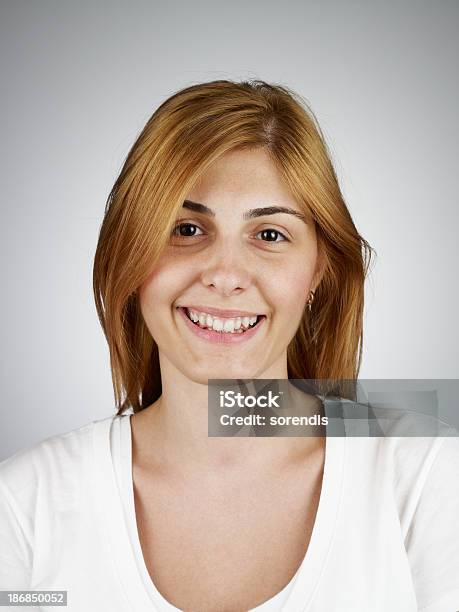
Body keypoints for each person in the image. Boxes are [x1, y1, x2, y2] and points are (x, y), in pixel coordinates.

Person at [0, 79, 458, 612]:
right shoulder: (24, 503)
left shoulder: (427, 472)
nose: (225, 275)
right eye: (187, 228)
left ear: (319, 272)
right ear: (130, 257)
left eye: (269, 235)